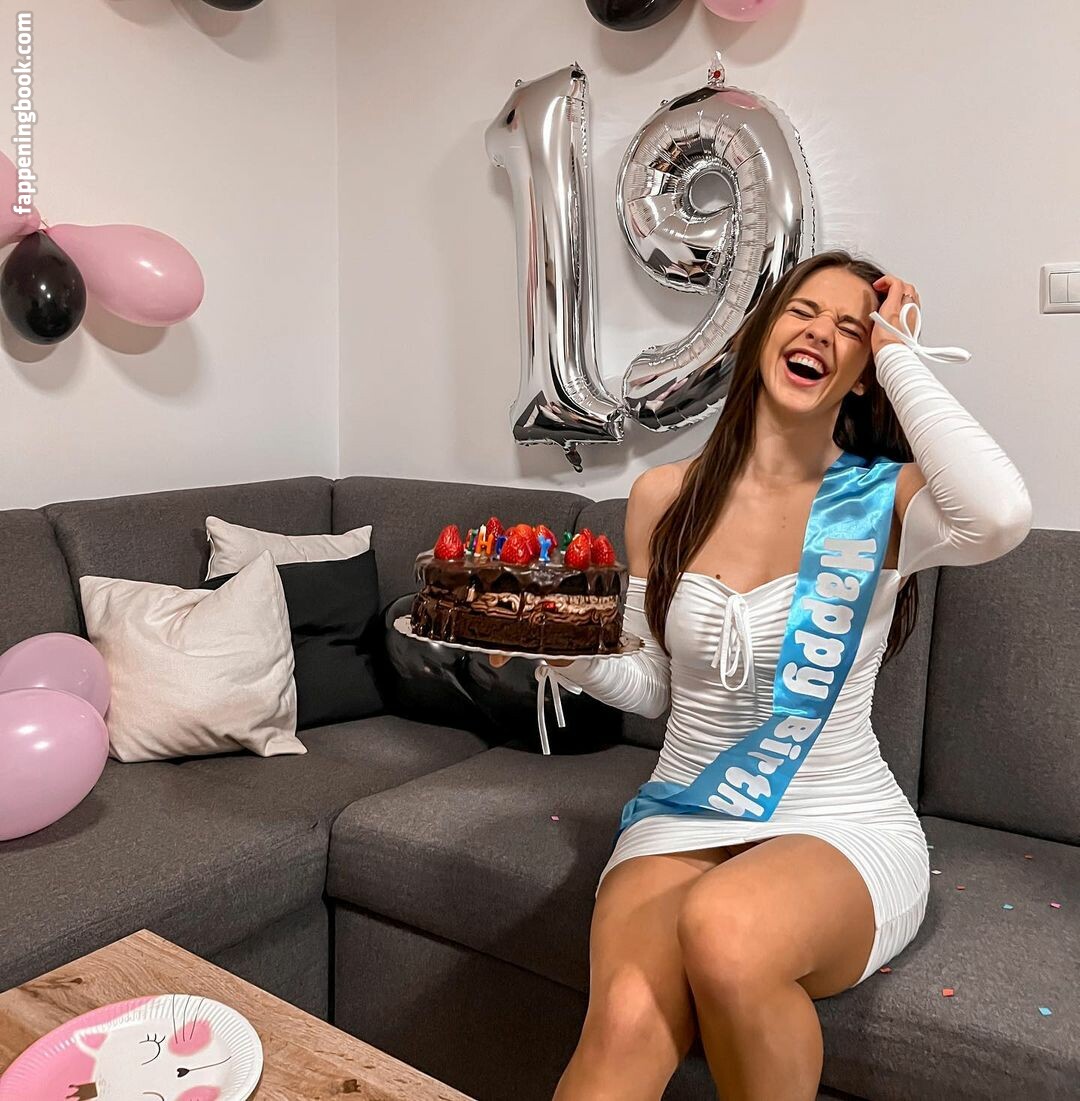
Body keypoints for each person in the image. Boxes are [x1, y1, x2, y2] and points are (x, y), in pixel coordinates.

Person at [493, 250, 1032, 1100]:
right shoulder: (664, 496)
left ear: (862, 370)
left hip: (839, 820)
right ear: (761, 333)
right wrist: (565, 654)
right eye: (802, 311)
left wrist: (899, 352)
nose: (820, 333)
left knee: (725, 926)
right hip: (683, 811)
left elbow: (1001, 513)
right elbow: (655, 685)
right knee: (622, 1026)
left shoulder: (886, 501)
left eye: (850, 327)